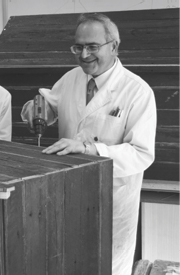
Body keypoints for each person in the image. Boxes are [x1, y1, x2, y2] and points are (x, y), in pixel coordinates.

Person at [21, 13, 156, 275]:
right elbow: (49, 106)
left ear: (114, 46)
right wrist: (36, 110)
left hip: (112, 203)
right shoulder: (71, 78)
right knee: (67, 263)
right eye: (78, 47)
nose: (84, 55)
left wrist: (89, 150)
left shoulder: (137, 91)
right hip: (67, 195)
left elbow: (141, 153)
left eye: (93, 47)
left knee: (106, 267)